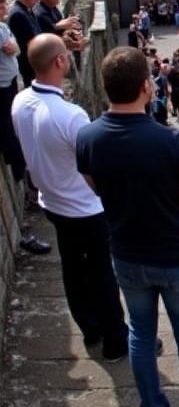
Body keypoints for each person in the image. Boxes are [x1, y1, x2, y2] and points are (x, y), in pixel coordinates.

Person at [76, 47, 179, 407]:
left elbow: (102, 187)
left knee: (140, 335)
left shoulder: (88, 137)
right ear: (147, 86)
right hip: (174, 255)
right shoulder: (171, 142)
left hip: (127, 254)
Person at [12, 34, 126, 354]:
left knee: (73, 269)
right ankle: (116, 339)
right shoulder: (70, 114)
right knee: (103, 272)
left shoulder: (20, 101)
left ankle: (90, 329)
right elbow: (96, 166)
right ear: (60, 61)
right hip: (84, 208)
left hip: (52, 202)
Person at [0, 0, 30, 191]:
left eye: (4, 1)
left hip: (10, 81)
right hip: (1, 86)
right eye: (0, 2)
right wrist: (11, 46)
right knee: (7, 127)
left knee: (12, 123)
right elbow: (11, 48)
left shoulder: (3, 26)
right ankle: (18, 167)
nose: (4, 6)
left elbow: (15, 48)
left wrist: (12, 46)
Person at [8, 0, 43, 85]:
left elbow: (38, 32)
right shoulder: (18, 14)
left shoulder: (27, 9)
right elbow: (31, 41)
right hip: (30, 64)